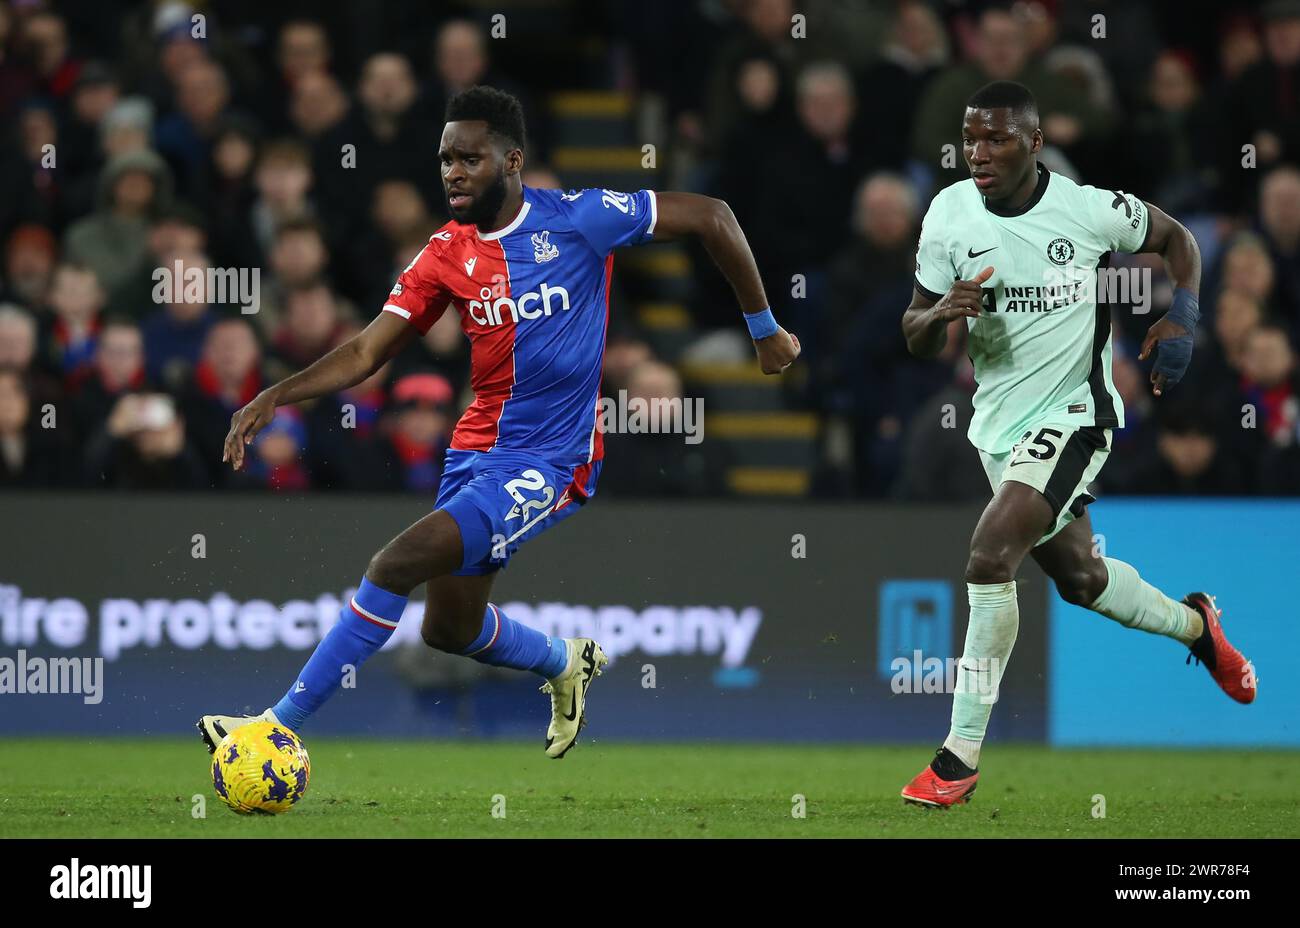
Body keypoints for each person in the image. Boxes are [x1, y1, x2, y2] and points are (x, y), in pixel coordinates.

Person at [197, 86, 799, 759]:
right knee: (448, 630)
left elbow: (713, 215)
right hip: (475, 452)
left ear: (512, 162)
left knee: (394, 564)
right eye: (446, 158)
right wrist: (276, 394)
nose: (453, 171)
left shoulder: (581, 219)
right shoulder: (444, 254)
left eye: (470, 158)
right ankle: (562, 661)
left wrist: (764, 328)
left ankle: (276, 725)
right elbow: (368, 350)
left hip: (552, 460)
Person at [898, 81, 1256, 808]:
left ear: (1033, 143)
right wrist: (940, 313)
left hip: (1074, 414)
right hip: (996, 426)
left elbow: (1177, 240)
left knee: (988, 555)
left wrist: (1182, 318)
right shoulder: (947, 215)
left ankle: (956, 760)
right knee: (1081, 581)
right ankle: (1198, 626)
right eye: (971, 139)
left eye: (997, 139)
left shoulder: (1089, 209)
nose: (980, 153)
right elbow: (912, 331)